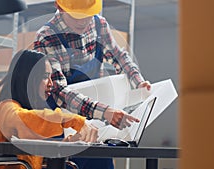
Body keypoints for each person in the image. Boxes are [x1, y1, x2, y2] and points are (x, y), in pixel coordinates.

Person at [33, 0, 151, 168]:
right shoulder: (46, 36)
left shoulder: (98, 24)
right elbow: (59, 91)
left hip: (96, 125)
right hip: (62, 124)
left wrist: (138, 81)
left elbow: (118, 55)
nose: (83, 21)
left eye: (87, 15)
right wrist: (105, 112)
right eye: (77, 16)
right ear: (59, 7)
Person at [0, 50, 98, 169]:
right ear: (27, 78)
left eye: (51, 77)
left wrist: (73, 140)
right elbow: (23, 119)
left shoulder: (28, 114)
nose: (51, 83)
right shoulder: (5, 108)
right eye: (45, 77)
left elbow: (41, 154)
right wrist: (74, 120)